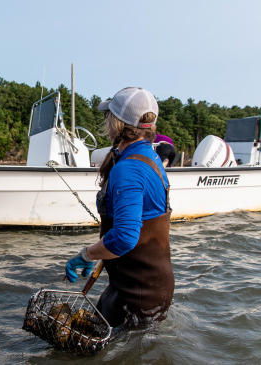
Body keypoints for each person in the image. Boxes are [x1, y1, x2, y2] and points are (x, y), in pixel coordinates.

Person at [65, 87, 174, 328]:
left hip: (139, 295)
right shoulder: (149, 156)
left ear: (116, 123)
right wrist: (103, 252)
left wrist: (87, 254)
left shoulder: (129, 169)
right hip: (141, 284)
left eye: (108, 116)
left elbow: (125, 237)